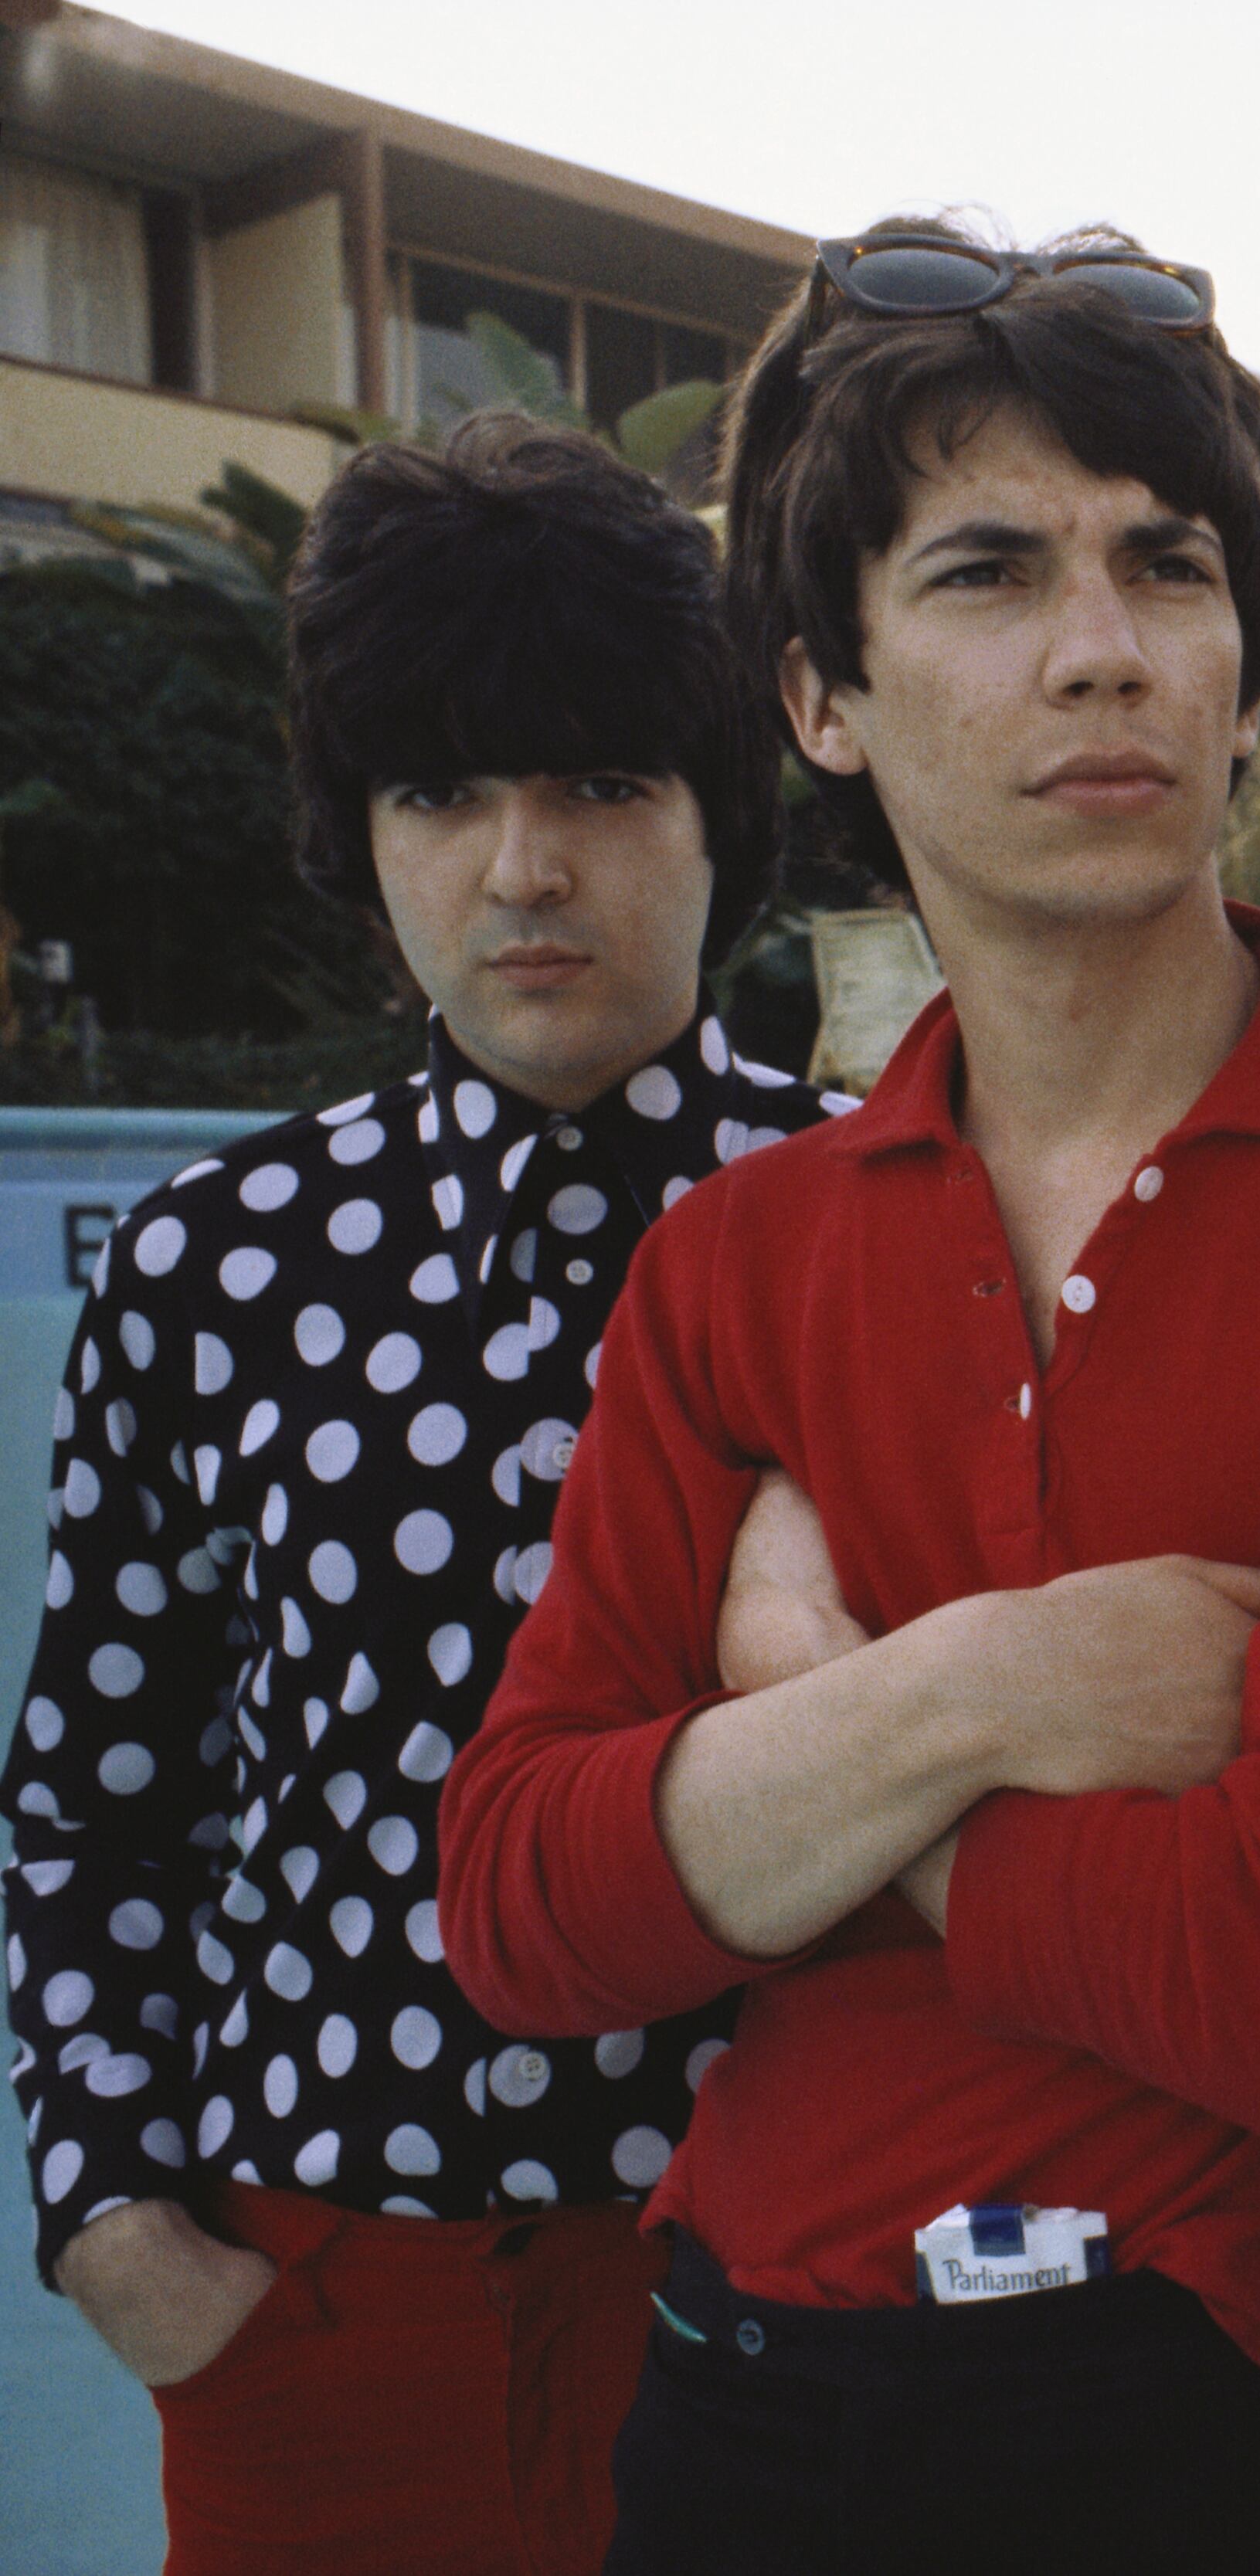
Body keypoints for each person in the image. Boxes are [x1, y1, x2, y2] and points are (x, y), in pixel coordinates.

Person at [430, 224, 1260, 2568]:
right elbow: (515, 1911)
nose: (1106, 647)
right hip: (741, 2396)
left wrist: (807, 1757)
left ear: (1241, 653)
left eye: (1164, 565)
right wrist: (977, 1691)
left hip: (1219, 2404)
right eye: (988, 573)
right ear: (820, 698)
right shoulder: (734, 1264)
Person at [1, 416, 821, 2574]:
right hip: (309, 2327)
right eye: (442, 791)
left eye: (600, 785)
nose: (522, 866)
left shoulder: (883, 1221)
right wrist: (109, 2219)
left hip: (790, 2324)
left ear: (718, 812)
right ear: (357, 830)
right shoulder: (218, 1264)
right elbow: (95, 1793)